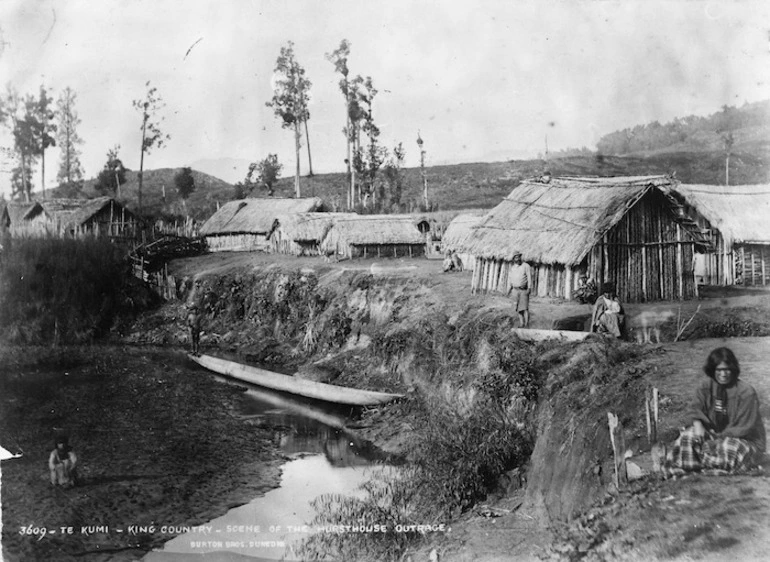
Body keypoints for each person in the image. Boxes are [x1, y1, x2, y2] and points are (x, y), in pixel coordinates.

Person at [660, 347, 765, 477]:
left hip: (742, 440)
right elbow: (695, 409)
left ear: (733, 369)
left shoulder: (746, 393)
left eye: (727, 369)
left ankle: (710, 467)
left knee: (729, 447)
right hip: (713, 435)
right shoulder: (705, 386)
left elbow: (744, 428)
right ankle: (696, 468)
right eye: (719, 370)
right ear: (712, 370)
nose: (723, 374)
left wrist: (718, 440)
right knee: (688, 436)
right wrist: (698, 424)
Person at [506, 252, 532, 328]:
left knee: (524, 308)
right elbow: (510, 280)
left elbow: (529, 277)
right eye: (515, 257)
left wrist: (529, 288)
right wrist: (508, 291)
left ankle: (527, 324)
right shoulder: (512, 268)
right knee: (517, 308)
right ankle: (521, 323)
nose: (517, 258)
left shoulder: (526, 266)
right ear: (513, 259)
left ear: (520, 257)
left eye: (518, 257)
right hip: (515, 290)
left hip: (523, 290)